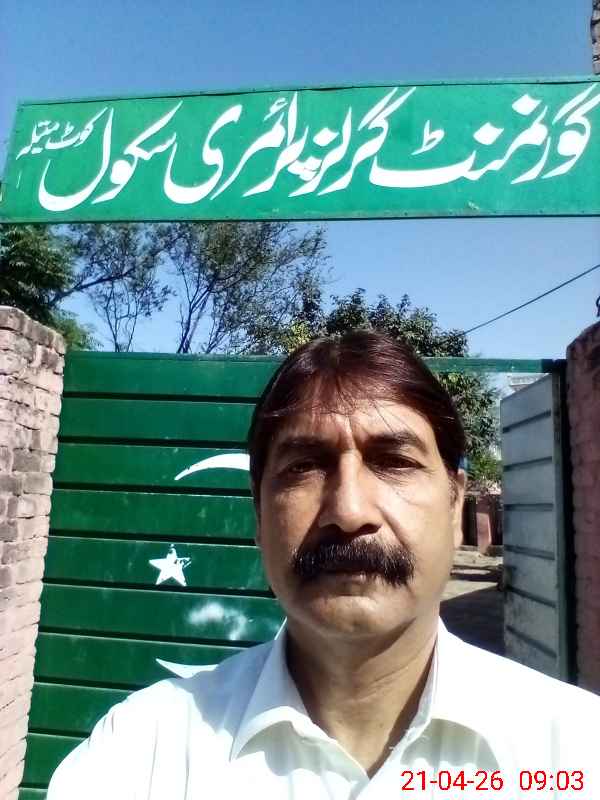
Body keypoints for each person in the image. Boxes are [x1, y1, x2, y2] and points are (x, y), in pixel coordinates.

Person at [47, 330, 598, 799]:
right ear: (258, 516)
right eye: (305, 466)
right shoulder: (141, 753)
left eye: (394, 461)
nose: (349, 511)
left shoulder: (574, 751)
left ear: (456, 509)